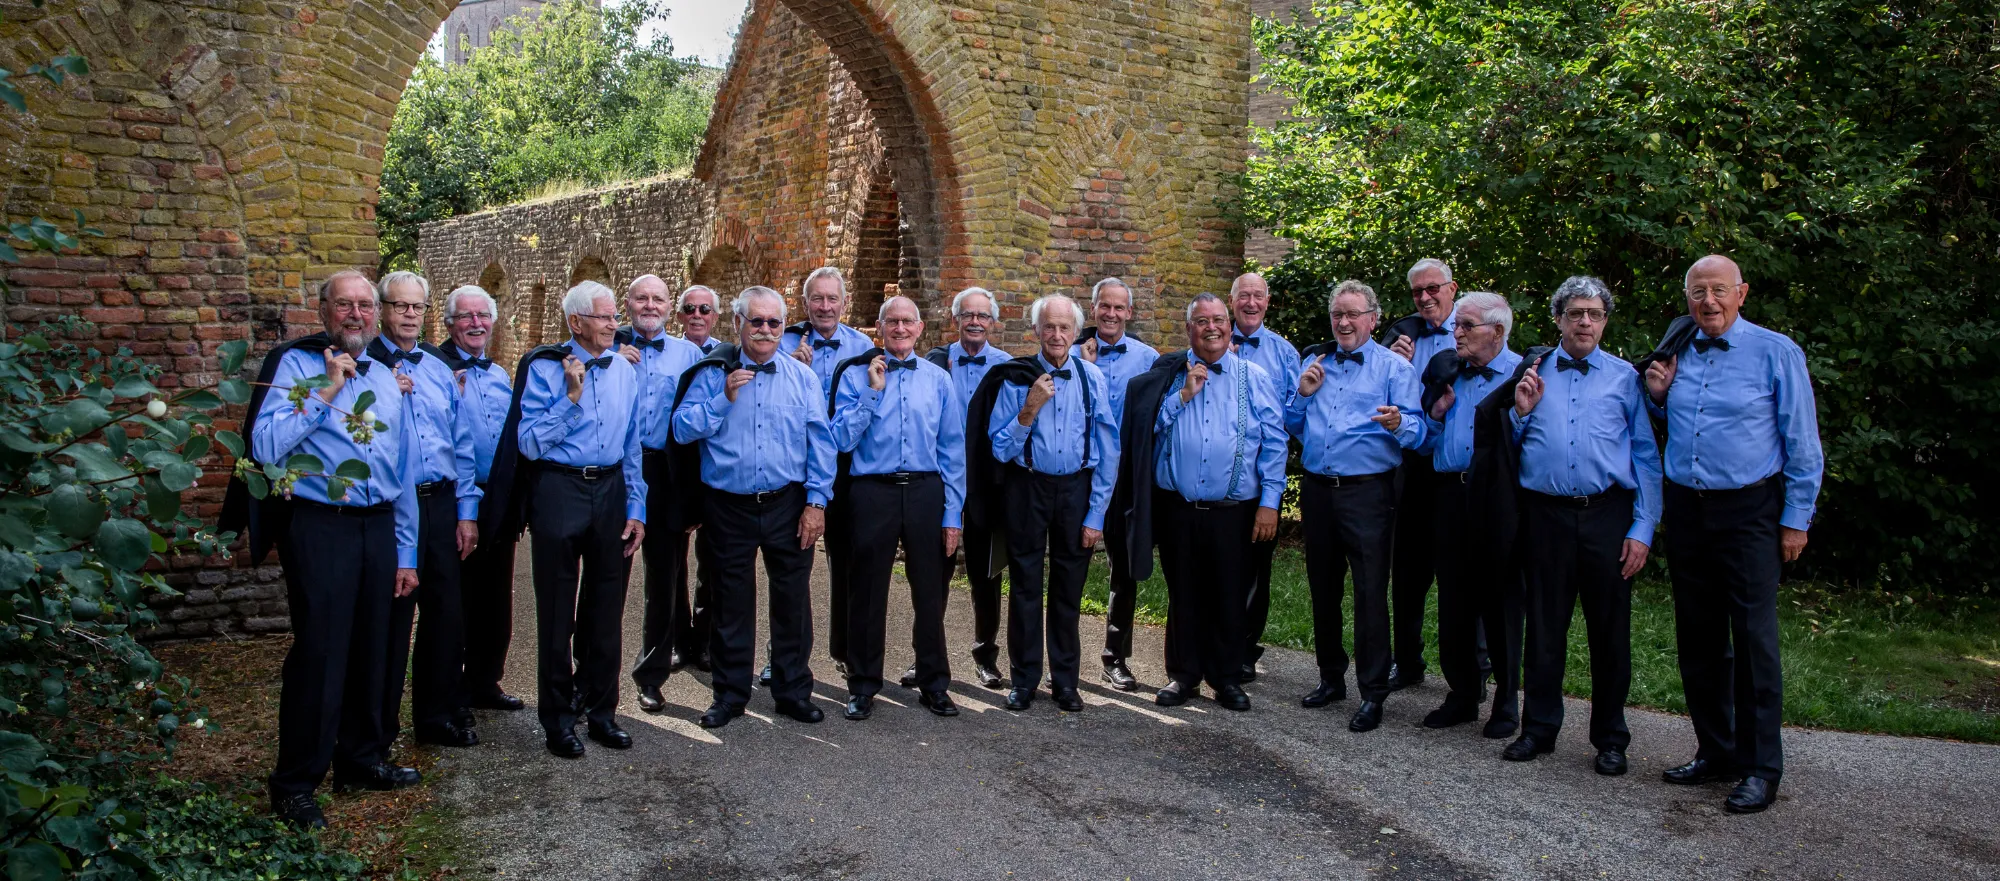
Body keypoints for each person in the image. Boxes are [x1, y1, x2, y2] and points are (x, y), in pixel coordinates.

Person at [1645, 255, 1822, 814]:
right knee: (1699, 639)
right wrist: (1656, 396)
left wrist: (1796, 518)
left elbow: (1803, 443)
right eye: (1698, 292)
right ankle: (1715, 750)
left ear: (1741, 293)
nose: (1709, 302)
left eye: (1720, 290)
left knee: (1752, 642)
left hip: (1750, 512)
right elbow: (1668, 425)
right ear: (1686, 296)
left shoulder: (1776, 352)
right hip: (1688, 511)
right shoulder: (1674, 350)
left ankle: (1760, 766)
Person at [246, 270, 420, 828]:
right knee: (321, 652)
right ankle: (296, 783)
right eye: (344, 304)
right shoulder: (293, 365)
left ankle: (360, 760)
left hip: (379, 527)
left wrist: (407, 551)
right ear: (322, 310)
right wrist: (326, 391)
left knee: (376, 646)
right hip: (320, 525)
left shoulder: (390, 379)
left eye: (366, 306)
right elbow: (266, 446)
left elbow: (405, 469)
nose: (356, 314)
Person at [1502, 276, 1661, 775]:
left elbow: (1646, 457)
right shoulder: (1532, 372)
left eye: (1594, 314)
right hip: (1545, 515)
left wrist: (1643, 528)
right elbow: (1507, 447)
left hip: (1607, 516)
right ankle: (1539, 730)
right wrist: (1520, 414)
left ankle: (1611, 738)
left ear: (1605, 321)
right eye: (1575, 314)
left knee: (1610, 633)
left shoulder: (1625, 379)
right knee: (1544, 628)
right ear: (1558, 319)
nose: (1585, 322)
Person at [673, 286, 836, 729]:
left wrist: (817, 503)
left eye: (774, 323)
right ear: (738, 324)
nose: (765, 330)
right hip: (728, 506)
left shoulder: (803, 378)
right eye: (756, 321)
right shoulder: (712, 374)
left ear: (784, 327)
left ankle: (791, 690)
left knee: (792, 602)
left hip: (788, 504)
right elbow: (682, 430)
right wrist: (722, 398)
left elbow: (821, 444)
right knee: (730, 602)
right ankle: (729, 695)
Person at [1127, 293, 1286, 711]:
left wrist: (1270, 503)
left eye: (1218, 320)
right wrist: (1183, 396)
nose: (1211, 327)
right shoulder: (1167, 376)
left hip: (1234, 512)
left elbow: (1274, 443)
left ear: (1229, 326)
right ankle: (1184, 677)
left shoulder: (1254, 377)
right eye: (1201, 321)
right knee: (1184, 594)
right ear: (1189, 329)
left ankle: (1227, 678)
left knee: (1230, 595)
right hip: (1178, 508)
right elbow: (1149, 435)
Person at [513, 280, 648, 758]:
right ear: (576, 323)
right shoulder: (544, 368)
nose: (615, 324)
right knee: (556, 611)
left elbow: (633, 443)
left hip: (611, 489)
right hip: (558, 489)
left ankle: (602, 712)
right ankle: (557, 719)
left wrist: (637, 507)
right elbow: (528, 443)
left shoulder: (625, 370)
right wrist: (570, 399)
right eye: (606, 317)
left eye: (615, 317)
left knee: (606, 608)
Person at [1285, 280, 1424, 732]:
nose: (1343, 322)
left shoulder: (1394, 369)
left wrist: (1401, 421)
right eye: (1337, 315)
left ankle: (1372, 692)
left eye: (1352, 314)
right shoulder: (1315, 362)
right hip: (1318, 489)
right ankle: (1330, 679)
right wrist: (1303, 394)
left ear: (1373, 318)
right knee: (1322, 587)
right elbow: (1289, 422)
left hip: (1368, 492)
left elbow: (1421, 433)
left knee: (1369, 592)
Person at [831, 296, 966, 719]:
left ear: (921, 328)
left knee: (930, 591)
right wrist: (873, 394)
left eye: (909, 322)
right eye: (893, 322)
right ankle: (863, 684)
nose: (901, 329)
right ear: (880, 327)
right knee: (867, 591)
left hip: (927, 491)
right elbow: (840, 440)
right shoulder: (856, 375)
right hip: (873, 491)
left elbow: (952, 450)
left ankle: (933, 683)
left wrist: (952, 513)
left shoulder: (938, 380)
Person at [985, 294, 1119, 712]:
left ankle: (1065, 681)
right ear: (1036, 331)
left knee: (1068, 589)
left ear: (1077, 332)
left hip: (1075, 491)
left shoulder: (1092, 378)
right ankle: (1024, 679)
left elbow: (1108, 450)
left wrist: (1096, 513)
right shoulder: (1015, 377)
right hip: (1028, 488)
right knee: (1025, 585)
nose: (1057, 335)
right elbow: (998, 448)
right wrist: (1029, 409)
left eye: (1064, 328)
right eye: (1049, 327)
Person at [371, 271, 481, 754]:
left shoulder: (438, 367)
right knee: (391, 620)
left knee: (445, 616)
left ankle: (435, 718)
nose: (409, 315)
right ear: (381, 310)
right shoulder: (363, 365)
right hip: (389, 507)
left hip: (439, 503)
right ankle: (377, 730)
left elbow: (461, 443)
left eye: (417, 307)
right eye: (400, 306)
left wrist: (466, 510)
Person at [1417, 291, 1524, 738]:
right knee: (1455, 599)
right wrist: (1436, 417)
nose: (1456, 333)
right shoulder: (1448, 373)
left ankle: (1505, 701)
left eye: (1467, 326)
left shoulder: (1523, 374)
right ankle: (1462, 693)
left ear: (1497, 332)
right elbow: (1424, 443)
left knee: (1499, 601)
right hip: (1448, 495)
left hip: (1497, 498)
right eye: (1457, 325)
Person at [612, 275, 705, 712]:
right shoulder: (605, 347)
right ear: (625, 304)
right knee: (608, 576)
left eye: (658, 299)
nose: (650, 305)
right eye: (641, 298)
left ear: (670, 308)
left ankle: (651, 675)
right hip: (618, 468)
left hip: (666, 470)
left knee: (665, 579)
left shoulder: (689, 354)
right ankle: (590, 676)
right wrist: (610, 361)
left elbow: (698, 427)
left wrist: (695, 494)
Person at [435, 285, 524, 714]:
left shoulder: (499, 374)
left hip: (496, 500)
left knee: (495, 598)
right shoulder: (436, 370)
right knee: (457, 600)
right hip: (453, 500)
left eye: (482, 316)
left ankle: (487, 681)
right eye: (466, 317)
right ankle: (452, 692)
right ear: (448, 324)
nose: (475, 324)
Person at [781, 267, 873, 680]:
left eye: (831, 299)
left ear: (844, 303)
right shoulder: (783, 343)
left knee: (848, 561)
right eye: (817, 299)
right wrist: (790, 368)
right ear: (805, 304)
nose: (824, 306)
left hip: (845, 467)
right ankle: (786, 656)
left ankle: (847, 651)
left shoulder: (862, 345)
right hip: (792, 466)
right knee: (791, 568)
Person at [1378, 258, 1460, 690]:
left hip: (1455, 471)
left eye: (1434, 289)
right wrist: (1395, 365)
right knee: (1407, 572)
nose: (1426, 297)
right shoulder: (1401, 336)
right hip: (1410, 469)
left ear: (1452, 288)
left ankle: (1472, 665)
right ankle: (1407, 662)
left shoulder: (1474, 329)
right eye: (1417, 292)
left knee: (1460, 573)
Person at [1076, 277, 1160, 692]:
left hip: (1126, 476)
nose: (1110, 314)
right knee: (1069, 566)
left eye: (1118, 308)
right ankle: (1063, 657)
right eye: (1103, 307)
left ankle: (1116, 657)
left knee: (1123, 571)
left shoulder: (1148, 359)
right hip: (1079, 475)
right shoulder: (1069, 354)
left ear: (1129, 312)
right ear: (1093, 310)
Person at [928, 286, 1011, 689]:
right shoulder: (935, 363)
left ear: (993, 322)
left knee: (985, 574)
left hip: (985, 484)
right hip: (940, 481)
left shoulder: (1009, 367)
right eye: (967, 315)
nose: (975, 322)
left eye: (982, 316)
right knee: (932, 575)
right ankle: (925, 655)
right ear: (955, 320)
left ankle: (986, 656)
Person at [1227, 272, 1301, 681]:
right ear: (1232, 301)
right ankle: (1213, 643)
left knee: (1256, 568)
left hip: (1262, 475)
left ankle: (1244, 651)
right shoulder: (1213, 343)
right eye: (1244, 296)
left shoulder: (1285, 353)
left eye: (1258, 296)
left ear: (1267, 302)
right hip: (1219, 479)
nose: (1251, 303)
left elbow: (1292, 418)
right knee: (1218, 564)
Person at [669, 284, 723, 672]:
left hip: (715, 469)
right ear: (679, 315)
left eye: (705, 308)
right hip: (675, 467)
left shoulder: (728, 356)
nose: (697, 314)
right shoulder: (667, 354)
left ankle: (704, 639)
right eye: (690, 308)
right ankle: (675, 637)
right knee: (670, 558)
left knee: (714, 558)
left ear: (716, 316)